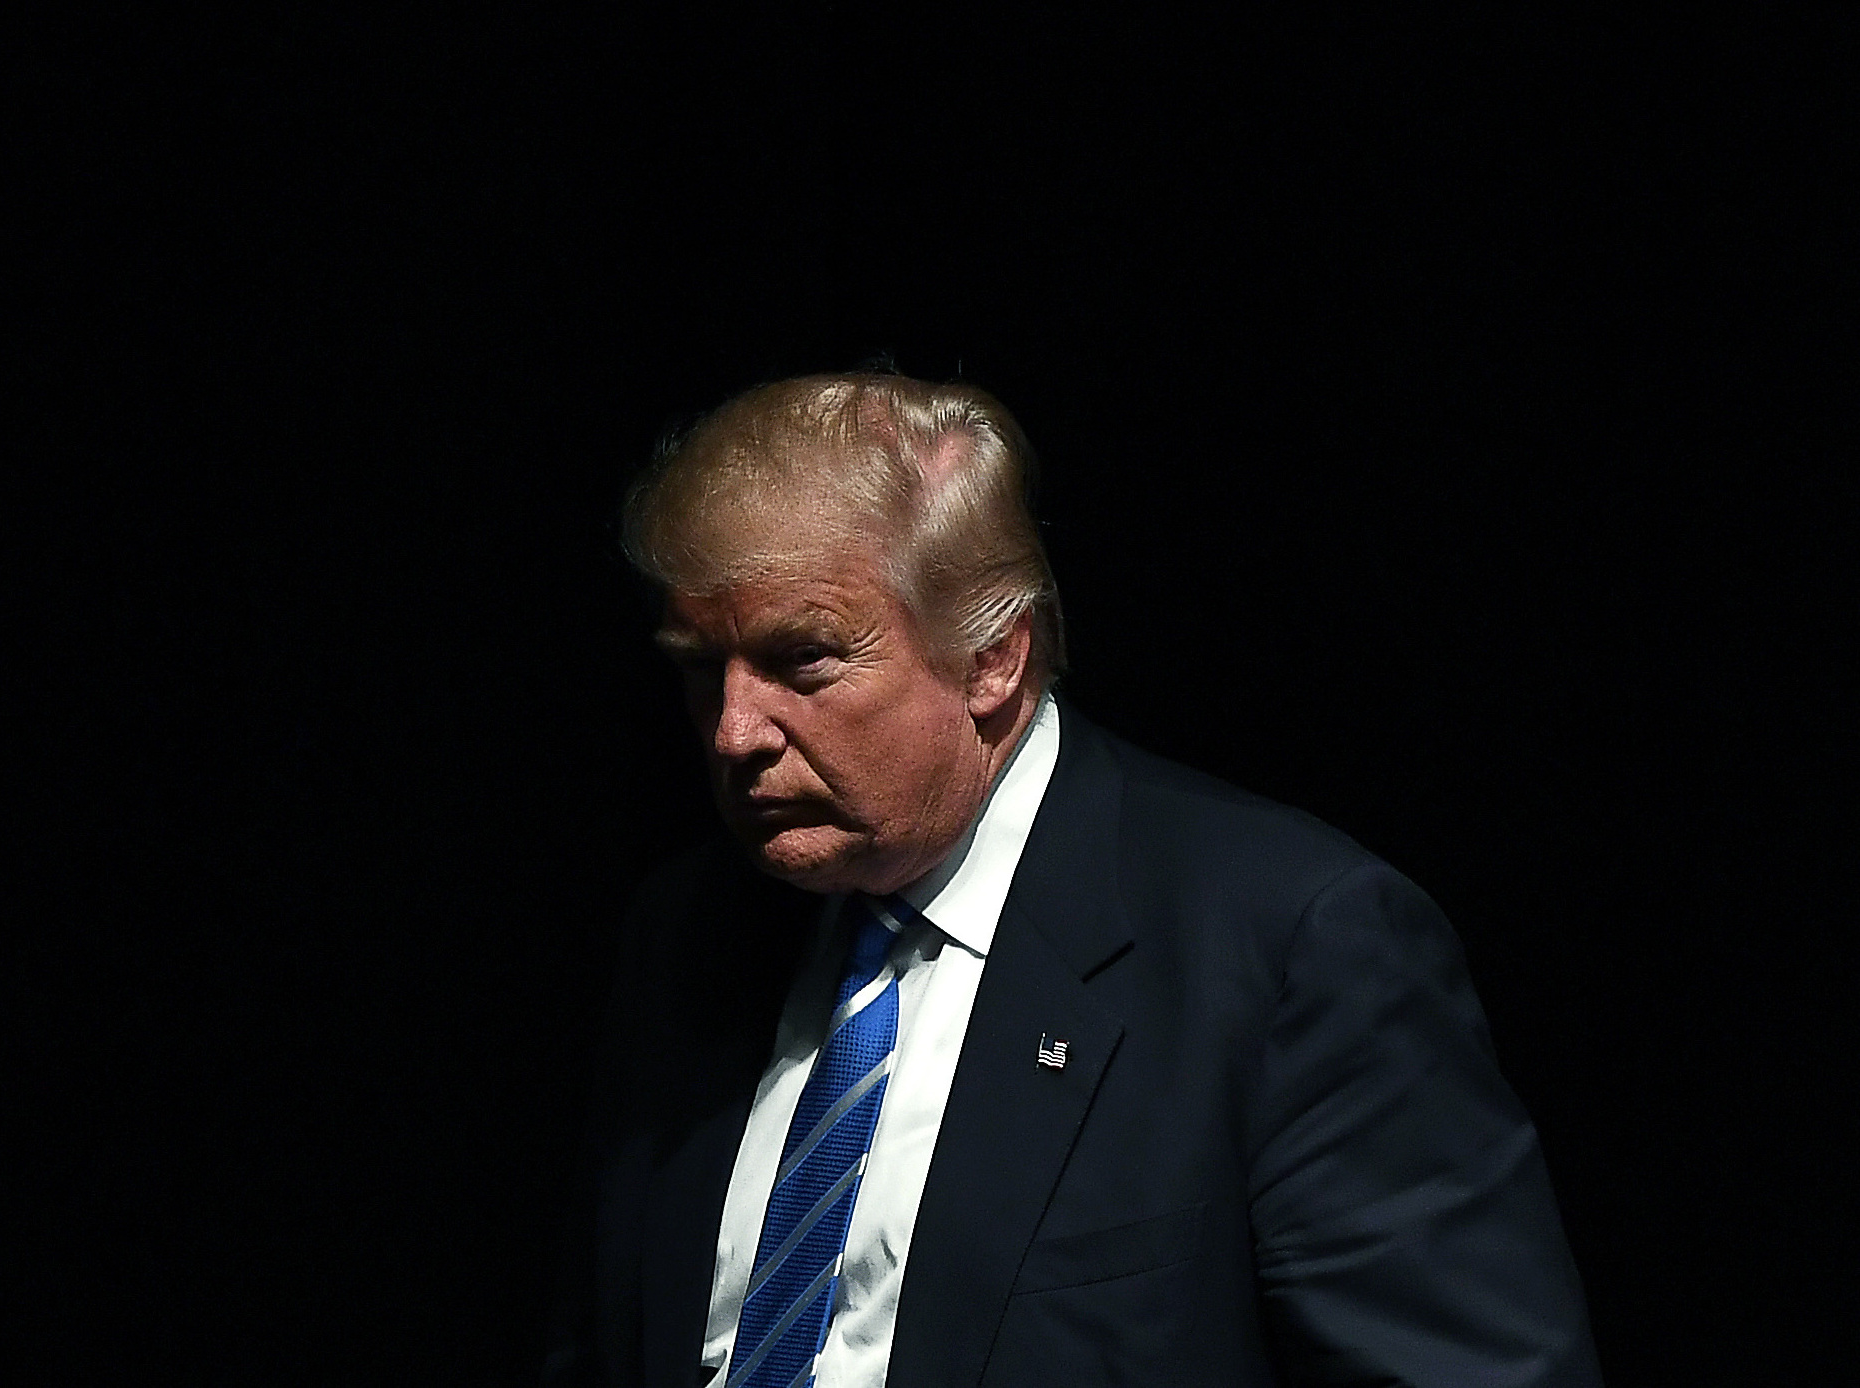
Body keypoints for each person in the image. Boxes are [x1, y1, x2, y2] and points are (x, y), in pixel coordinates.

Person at [544, 373, 1602, 1387]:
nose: (734, 732)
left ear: (992, 659)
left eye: (804, 660)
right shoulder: (685, 933)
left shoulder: (1288, 947)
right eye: (701, 668)